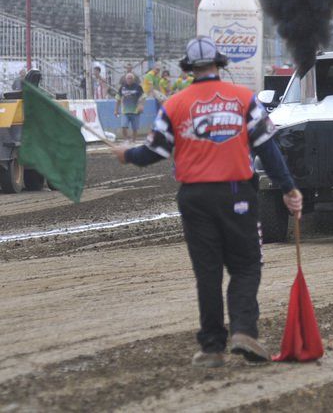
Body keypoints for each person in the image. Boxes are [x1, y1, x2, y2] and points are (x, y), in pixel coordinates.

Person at [113, 36, 303, 368]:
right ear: (219, 63)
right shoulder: (245, 99)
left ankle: (213, 347)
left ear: (189, 68)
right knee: (245, 265)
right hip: (236, 193)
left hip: (194, 197)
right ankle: (243, 330)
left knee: (208, 272)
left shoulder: (174, 104)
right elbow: (267, 149)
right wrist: (288, 189)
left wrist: (127, 154)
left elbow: (154, 152)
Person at [114, 73, 145, 141]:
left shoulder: (138, 87)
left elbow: (143, 97)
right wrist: (116, 110)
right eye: (128, 78)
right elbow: (118, 99)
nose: (129, 80)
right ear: (125, 79)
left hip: (135, 111)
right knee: (124, 126)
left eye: (131, 78)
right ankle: (126, 140)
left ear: (133, 79)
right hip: (125, 111)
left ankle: (133, 141)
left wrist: (141, 105)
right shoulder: (122, 88)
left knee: (135, 128)